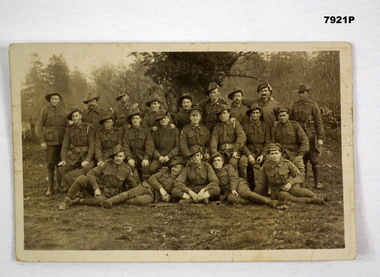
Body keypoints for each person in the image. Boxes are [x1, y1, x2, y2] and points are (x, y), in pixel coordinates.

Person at [58, 145, 139, 211]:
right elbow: (90, 173)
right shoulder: (106, 163)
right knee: (81, 178)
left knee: (100, 200)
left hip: (107, 195)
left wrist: (140, 193)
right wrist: (96, 188)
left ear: (124, 157)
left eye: (120, 156)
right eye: (116, 156)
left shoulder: (126, 170)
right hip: (96, 188)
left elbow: (133, 185)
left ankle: (78, 201)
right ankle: (66, 201)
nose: (118, 158)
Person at [254, 143, 328, 205]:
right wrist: (254, 196)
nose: (274, 156)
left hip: (289, 185)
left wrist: (290, 183)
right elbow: (260, 182)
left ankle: (317, 196)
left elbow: (299, 176)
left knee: (297, 191)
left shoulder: (287, 163)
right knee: (286, 197)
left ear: (280, 154)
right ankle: (314, 200)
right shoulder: (266, 166)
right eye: (272, 154)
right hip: (277, 190)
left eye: (276, 153)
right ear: (269, 155)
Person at [100, 157, 185, 208]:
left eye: (176, 167)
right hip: (146, 186)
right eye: (172, 167)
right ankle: (109, 201)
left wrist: (169, 198)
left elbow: (176, 193)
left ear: (181, 169)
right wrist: (161, 188)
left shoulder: (181, 180)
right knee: (129, 194)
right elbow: (152, 178)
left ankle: (117, 201)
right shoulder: (165, 171)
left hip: (153, 196)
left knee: (140, 201)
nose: (173, 169)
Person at [210, 153, 280, 208]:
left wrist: (233, 188)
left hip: (239, 183)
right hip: (228, 191)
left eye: (218, 160)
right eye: (214, 161)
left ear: (222, 162)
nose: (216, 162)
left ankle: (270, 202)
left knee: (245, 193)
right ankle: (255, 201)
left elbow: (233, 177)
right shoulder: (211, 172)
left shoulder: (228, 167)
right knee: (232, 199)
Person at [291, 84, 325, 189]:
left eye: (303, 92)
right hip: (298, 136)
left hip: (310, 135)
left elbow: (319, 123)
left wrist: (320, 137)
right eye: (300, 93)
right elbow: (291, 120)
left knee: (313, 158)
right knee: (302, 159)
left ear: (307, 93)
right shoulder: (295, 105)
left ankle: (317, 183)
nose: (301, 95)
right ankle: (303, 183)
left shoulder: (313, 106)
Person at [36, 91, 68, 195]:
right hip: (50, 142)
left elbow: (67, 127)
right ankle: (50, 188)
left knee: (60, 164)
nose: (54, 101)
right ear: (50, 101)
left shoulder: (63, 111)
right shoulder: (45, 111)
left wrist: (68, 142)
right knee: (50, 164)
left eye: (56, 99)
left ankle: (59, 185)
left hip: (62, 142)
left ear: (60, 100)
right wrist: (42, 141)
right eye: (52, 99)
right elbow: (39, 126)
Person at [57, 107, 96, 190]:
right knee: (61, 168)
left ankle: (86, 189)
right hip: (75, 157)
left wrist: (88, 159)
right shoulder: (70, 128)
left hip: (87, 156)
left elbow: (92, 145)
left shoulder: (88, 127)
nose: (75, 118)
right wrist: (63, 159)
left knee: (86, 168)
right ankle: (75, 189)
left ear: (81, 116)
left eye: (76, 116)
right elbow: (65, 145)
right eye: (73, 117)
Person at [271, 107, 309, 181]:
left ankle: (302, 189)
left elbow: (304, 140)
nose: (282, 118)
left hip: (294, 153)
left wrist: (301, 155)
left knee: (300, 169)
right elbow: (273, 143)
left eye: (284, 115)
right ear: (277, 117)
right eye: (280, 116)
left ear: (288, 115)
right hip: (281, 154)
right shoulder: (275, 127)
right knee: (277, 169)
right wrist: (276, 154)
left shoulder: (295, 125)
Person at [239, 103, 271, 186]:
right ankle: (245, 185)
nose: (255, 115)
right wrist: (249, 155)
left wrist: (263, 155)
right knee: (242, 161)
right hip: (250, 151)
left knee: (269, 159)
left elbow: (267, 142)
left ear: (260, 114)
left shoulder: (265, 126)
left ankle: (268, 185)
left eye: (257, 113)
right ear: (250, 114)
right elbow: (242, 143)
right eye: (253, 113)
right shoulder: (245, 126)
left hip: (261, 152)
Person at [210, 104, 246, 171]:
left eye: (224, 113)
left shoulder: (234, 123)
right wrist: (214, 153)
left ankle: (237, 181)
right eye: (220, 114)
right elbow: (214, 140)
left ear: (229, 113)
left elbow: (242, 136)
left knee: (233, 163)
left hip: (233, 151)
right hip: (222, 152)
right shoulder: (217, 127)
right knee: (217, 163)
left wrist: (236, 150)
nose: (222, 116)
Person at [123, 107, 154, 181]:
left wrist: (146, 158)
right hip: (132, 156)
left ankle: (145, 186)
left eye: (137, 118)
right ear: (131, 120)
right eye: (133, 118)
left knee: (145, 167)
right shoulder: (127, 132)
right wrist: (129, 158)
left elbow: (149, 145)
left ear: (140, 119)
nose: (135, 120)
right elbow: (125, 146)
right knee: (127, 169)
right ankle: (131, 188)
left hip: (143, 156)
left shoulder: (146, 131)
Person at [150, 109, 180, 173]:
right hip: (159, 157)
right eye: (161, 119)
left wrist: (168, 156)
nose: (163, 120)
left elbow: (177, 146)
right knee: (152, 169)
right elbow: (152, 147)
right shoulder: (155, 131)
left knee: (176, 169)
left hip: (171, 157)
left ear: (168, 119)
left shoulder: (174, 130)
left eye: (165, 118)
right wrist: (158, 157)